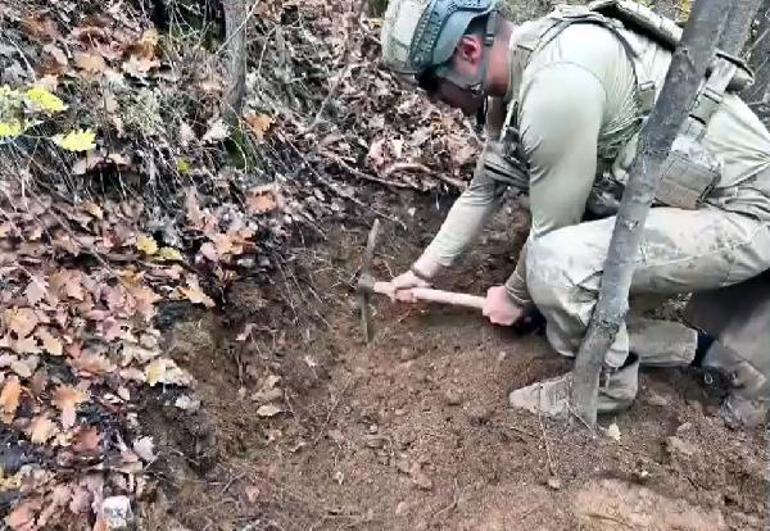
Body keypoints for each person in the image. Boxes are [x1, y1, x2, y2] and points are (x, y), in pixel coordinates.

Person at [378, 0, 770, 423]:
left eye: (430, 83)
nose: (435, 99)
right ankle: (720, 357)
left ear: (469, 51)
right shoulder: (521, 64)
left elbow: (552, 239)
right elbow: (484, 189)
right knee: (563, 301)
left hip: (745, 215)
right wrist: (422, 272)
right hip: (686, 201)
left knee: (557, 272)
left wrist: (513, 297)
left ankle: (606, 386)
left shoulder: (556, 87)